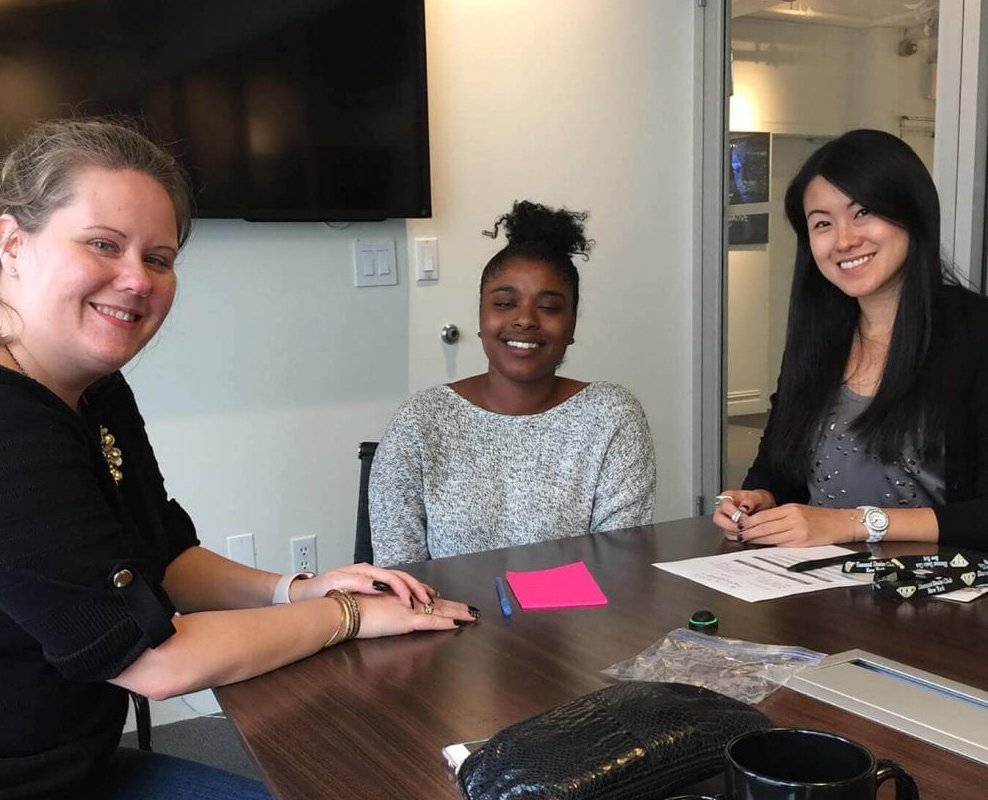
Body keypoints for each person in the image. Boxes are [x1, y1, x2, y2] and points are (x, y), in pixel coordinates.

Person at [0, 117, 477, 800]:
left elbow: (162, 556)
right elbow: (156, 663)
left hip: (68, 784)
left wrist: (300, 585)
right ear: (14, 241)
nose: (137, 280)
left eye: (159, 258)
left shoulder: (93, 388)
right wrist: (344, 617)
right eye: (104, 244)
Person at [713, 129, 988, 549]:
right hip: (819, 588)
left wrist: (856, 524)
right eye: (822, 223)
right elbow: (778, 468)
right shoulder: (820, 339)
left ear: (911, 211)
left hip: (941, 597)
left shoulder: (976, 335)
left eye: (862, 212)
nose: (844, 240)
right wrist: (757, 500)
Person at [369, 200, 656, 565]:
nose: (525, 320)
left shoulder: (612, 416)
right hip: (446, 620)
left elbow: (619, 567)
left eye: (549, 307)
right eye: (505, 303)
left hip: (578, 621)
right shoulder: (421, 420)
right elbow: (399, 576)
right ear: (481, 316)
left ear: (571, 326)